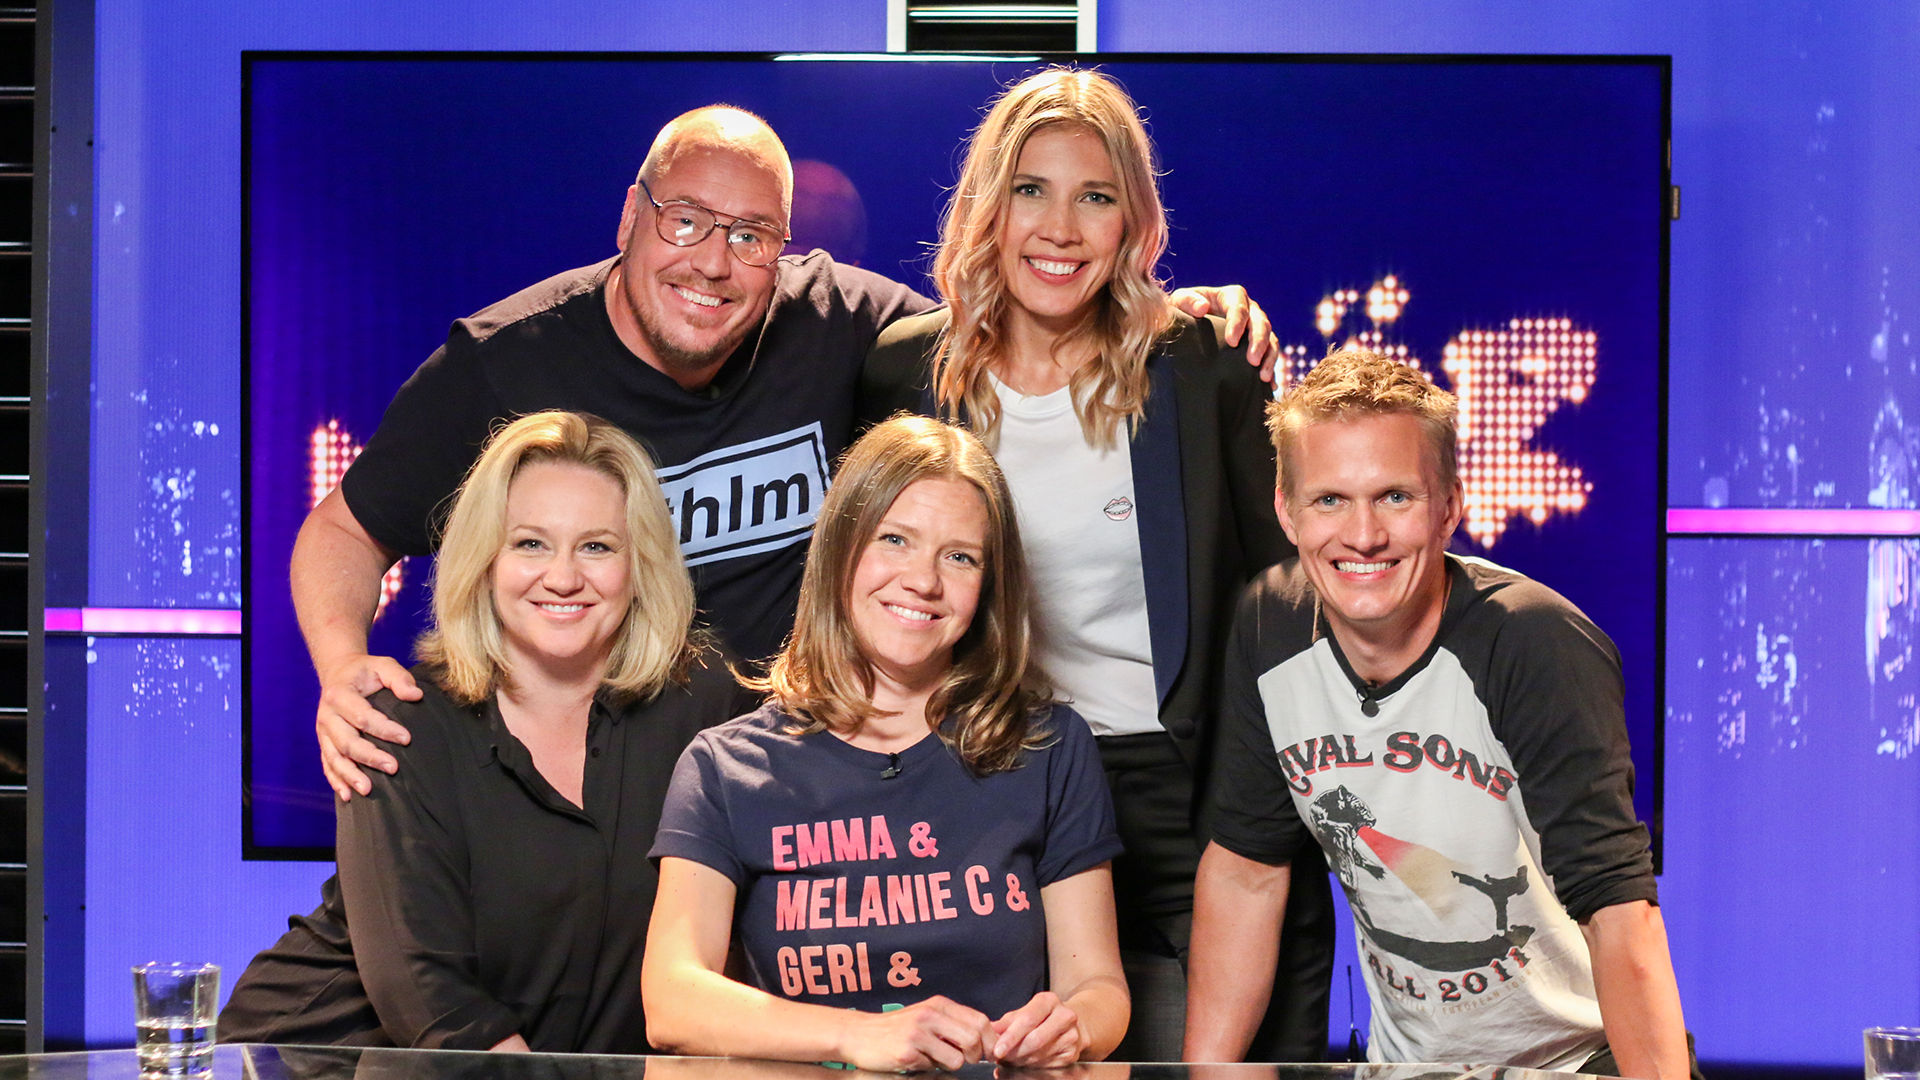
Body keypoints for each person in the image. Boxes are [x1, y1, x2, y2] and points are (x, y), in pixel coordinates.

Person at [305, 103, 1279, 804]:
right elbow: (343, 533)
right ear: (630, 215)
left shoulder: (845, 328)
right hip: (570, 796)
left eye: (751, 235)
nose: (712, 262)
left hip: (795, 802)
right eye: (685, 220)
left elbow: (1019, 322)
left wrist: (1164, 318)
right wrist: (342, 668)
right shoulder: (503, 363)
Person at [859, 67, 1333, 1061]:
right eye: (1031, 190)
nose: (1061, 228)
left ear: (1133, 224)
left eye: (1096, 197)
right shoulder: (904, 371)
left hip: (1183, 799)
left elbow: (1285, 601)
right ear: (989, 207)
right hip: (984, 787)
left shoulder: (1200, 363)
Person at [1183, 351, 1694, 1077]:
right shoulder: (1271, 625)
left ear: (1450, 506)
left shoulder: (1534, 641)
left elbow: (1618, 909)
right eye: (1329, 500)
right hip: (1408, 1066)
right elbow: (1246, 872)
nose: (1363, 535)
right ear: (1286, 510)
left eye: (1395, 496)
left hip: (1586, 1059)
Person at [219, 412, 748, 1052]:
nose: (563, 577)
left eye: (597, 547)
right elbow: (433, 1006)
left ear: (641, 564)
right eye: (530, 544)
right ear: (485, 561)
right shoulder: (399, 725)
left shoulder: (706, 706)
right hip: (323, 1057)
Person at [642, 416, 1129, 1071]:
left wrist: (1072, 1027)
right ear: (840, 550)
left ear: (990, 585)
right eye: (894, 540)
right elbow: (672, 1000)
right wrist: (856, 1035)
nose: (923, 581)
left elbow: (1099, 987)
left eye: (960, 557)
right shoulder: (725, 767)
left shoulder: (1048, 747)